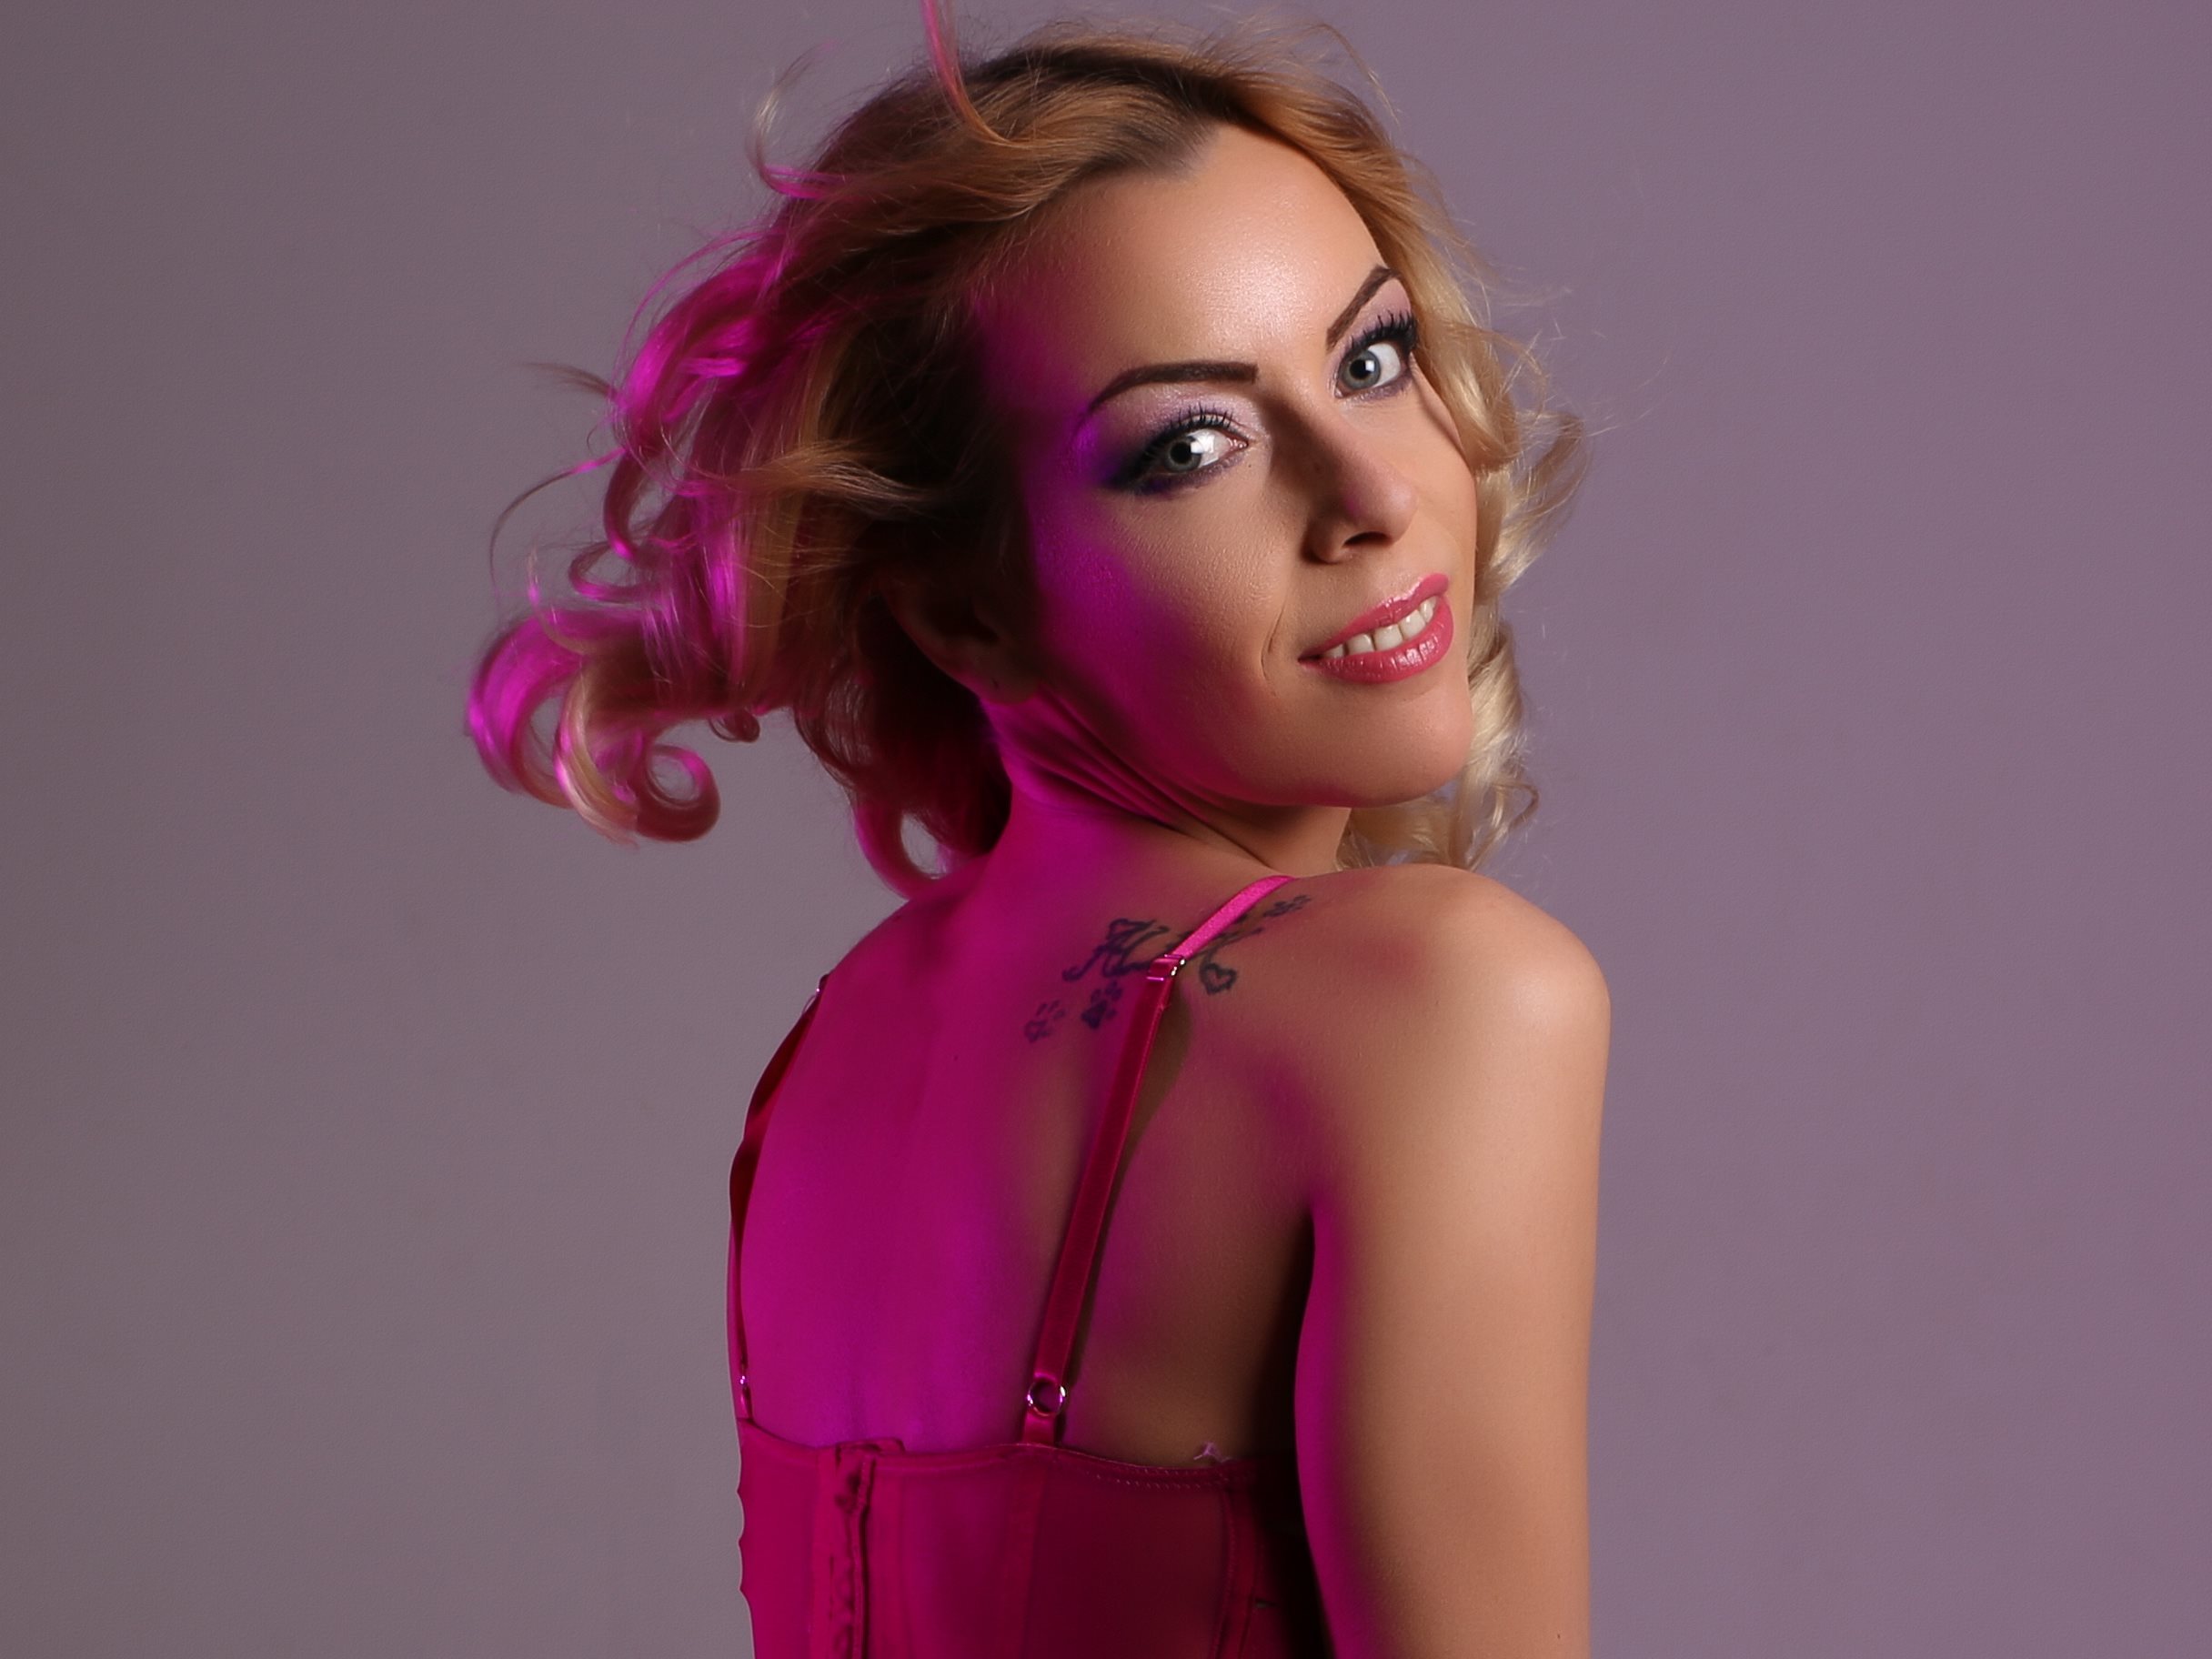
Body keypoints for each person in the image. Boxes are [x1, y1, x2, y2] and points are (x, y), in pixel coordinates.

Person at [469, 5, 1609, 1653]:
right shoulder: (1436, 994)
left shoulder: (839, 1039)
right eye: (1192, 446)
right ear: (968, 609)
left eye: (1371, 359)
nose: (1371, 495)